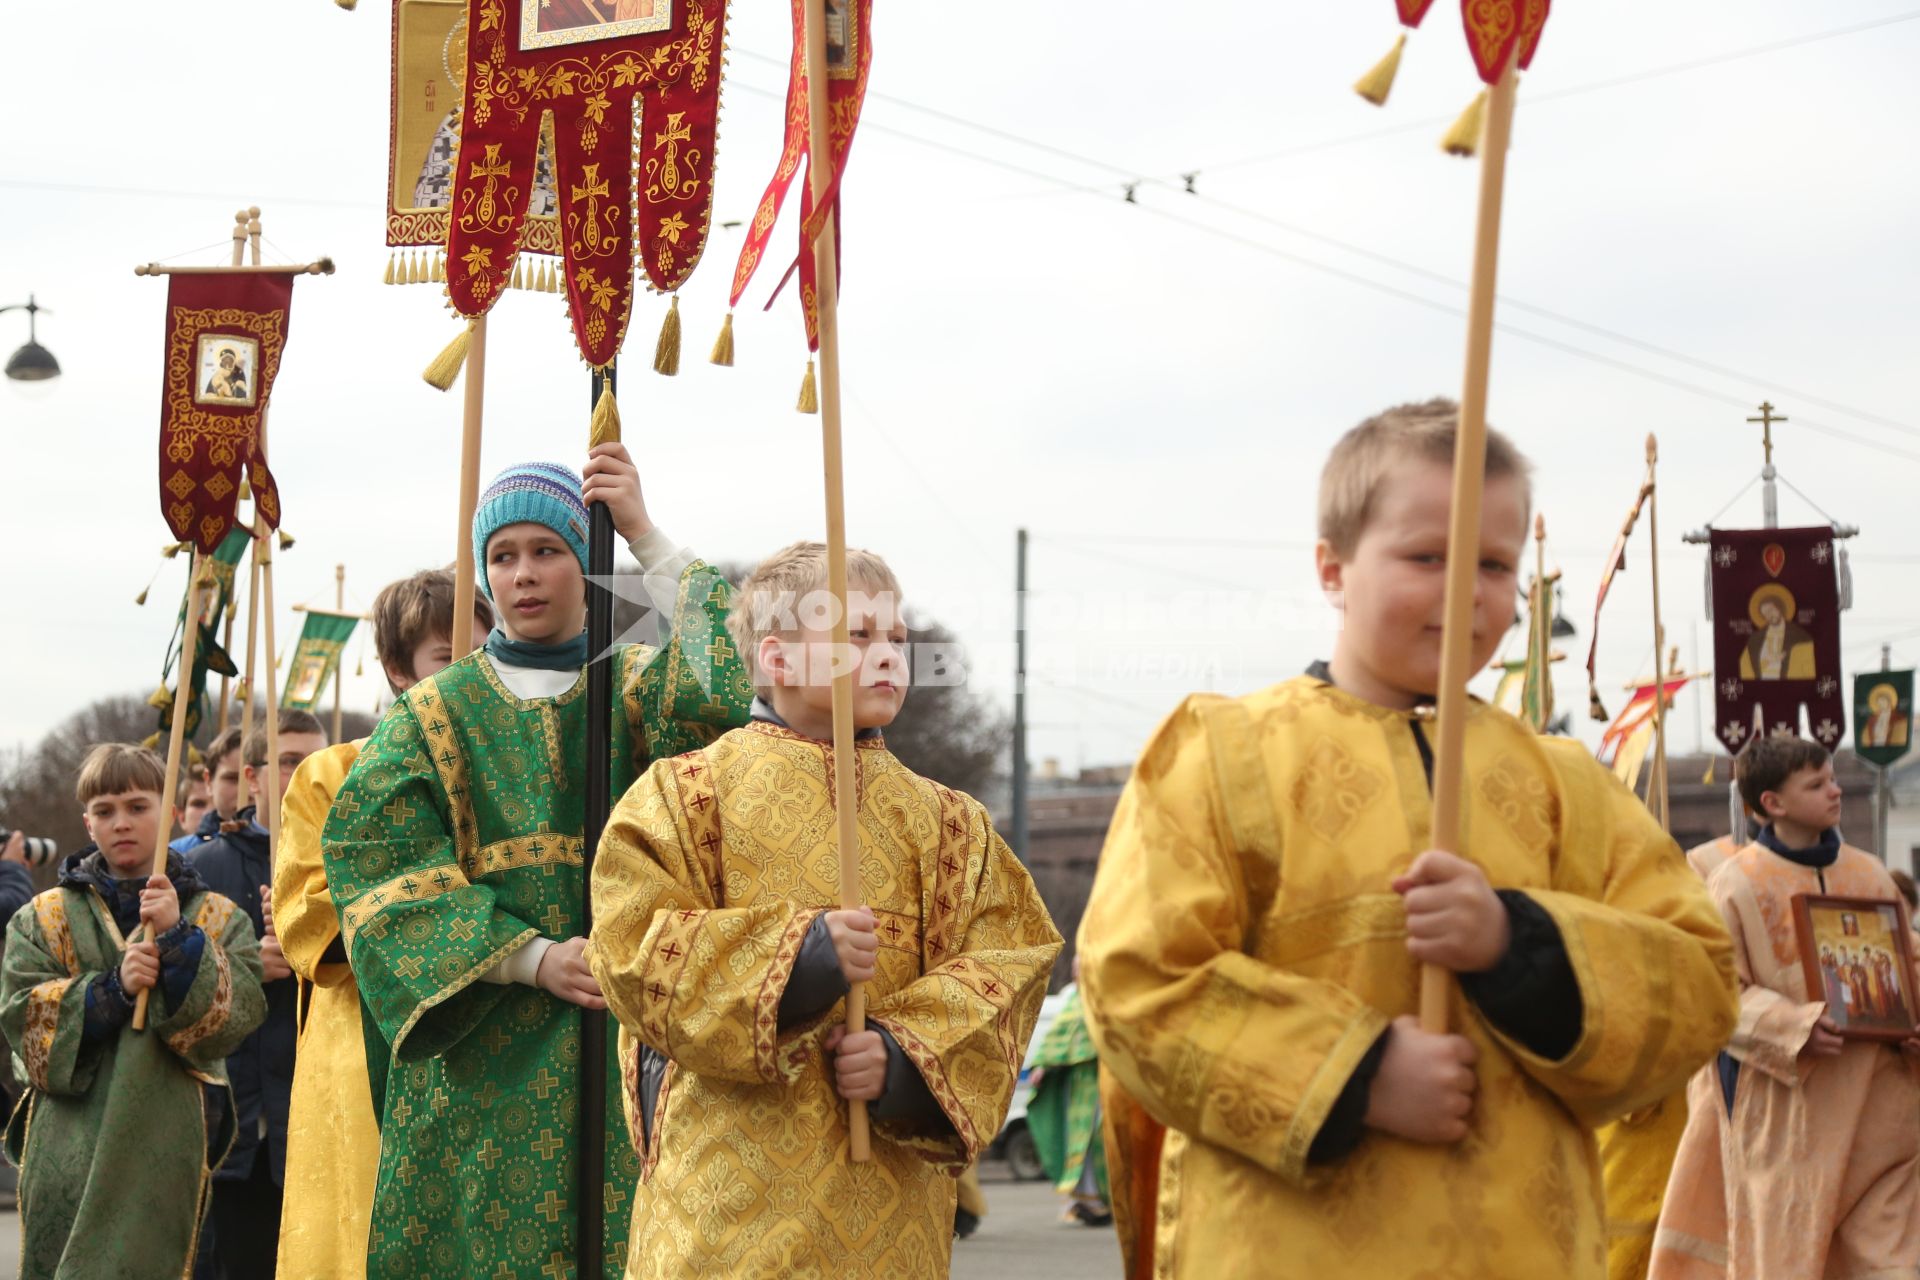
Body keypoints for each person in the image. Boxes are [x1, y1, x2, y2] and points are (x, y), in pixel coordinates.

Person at [1075, 399, 1740, 1279]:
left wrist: (1517, 944)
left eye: (1495, 565)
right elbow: (1135, 980)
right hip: (1289, 1249)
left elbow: (1699, 981)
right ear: (1333, 568)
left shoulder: (1563, 785)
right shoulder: (1225, 755)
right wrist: (1357, 1072)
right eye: (1429, 556)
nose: (1467, 589)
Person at [322, 446, 753, 1279]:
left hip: (628, 1043)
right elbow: (377, 867)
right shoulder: (428, 714)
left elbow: (720, 690)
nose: (524, 574)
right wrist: (530, 958)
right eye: (503, 555)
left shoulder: (632, 688)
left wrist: (641, 532)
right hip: (479, 1057)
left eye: (549, 550)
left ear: (587, 563)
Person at [585, 540, 1062, 1276]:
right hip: (726, 1204)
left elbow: (1014, 954)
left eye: (896, 639)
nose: (886, 657)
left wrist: (906, 1054)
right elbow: (630, 948)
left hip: (889, 1209)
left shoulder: (952, 823)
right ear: (776, 660)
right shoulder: (682, 797)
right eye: (856, 636)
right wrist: (801, 959)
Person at [271, 568, 492, 1280]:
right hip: (365, 1042)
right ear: (398, 670)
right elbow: (307, 918)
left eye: (485, 658)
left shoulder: (513, 770)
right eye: (445, 660)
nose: (470, 677)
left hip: (490, 1038)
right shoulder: (331, 775)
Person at [1651, 736, 1920, 1278]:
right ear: (1772, 803)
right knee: (1788, 1259)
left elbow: (1908, 963)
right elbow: (1717, 990)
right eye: (1817, 784)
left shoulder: (1869, 873)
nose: (1835, 790)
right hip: (1789, 1120)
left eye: (1833, 779)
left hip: (1879, 1114)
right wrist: (1793, 1026)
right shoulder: (1736, 883)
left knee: (1892, 1264)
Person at [0, 744, 266, 1278]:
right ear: (87, 823)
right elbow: (21, 1024)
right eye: (104, 811)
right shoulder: (41, 918)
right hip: (69, 1151)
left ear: (168, 813)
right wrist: (111, 990)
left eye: (137, 807)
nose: (121, 823)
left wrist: (180, 940)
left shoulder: (217, 917)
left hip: (165, 1154)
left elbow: (235, 1018)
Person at [189, 709, 330, 1279]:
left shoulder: (340, 860)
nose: (304, 773)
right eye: (289, 760)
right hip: (233, 1124)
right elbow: (176, 995)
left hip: (314, 1111)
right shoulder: (197, 869)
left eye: (314, 760)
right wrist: (248, 971)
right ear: (252, 777)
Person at [1026, 961, 1110, 1227]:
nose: (1076, 971)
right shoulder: (1073, 997)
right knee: (1078, 1145)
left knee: (1102, 1140)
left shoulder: (1104, 995)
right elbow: (1056, 1037)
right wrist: (1041, 1065)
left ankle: (1105, 1200)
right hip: (1075, 1087)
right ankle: (1084, 1201)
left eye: (1081, 966)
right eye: (1074, 967)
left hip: (1103, 1081)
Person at [171, 762, 213, 851]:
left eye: (217, 805)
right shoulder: (165, 859)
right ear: (182, 817)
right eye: (199, 804)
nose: (208, 812)